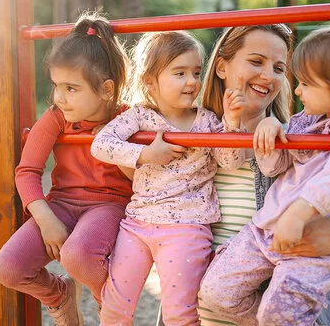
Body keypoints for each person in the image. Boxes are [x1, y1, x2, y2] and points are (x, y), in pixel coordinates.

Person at [199, 24, 330, 326]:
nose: (271, 77)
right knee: (218, 291)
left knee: (278, 313)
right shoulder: (192, 132)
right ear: (221, 66)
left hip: (297, 255)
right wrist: (269, 131)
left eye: (280, 68)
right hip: (215, 302)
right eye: (256, 61)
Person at [90, 30, 247, 325]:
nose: (191, 81)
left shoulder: (209, 121)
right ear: (150, 80)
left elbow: (229, 161)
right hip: (137, 225)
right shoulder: (139, 116)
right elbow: (100, 145)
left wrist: (233, 123)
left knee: (180, 313)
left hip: (186, 228)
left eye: (196, 72)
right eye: (180, 73)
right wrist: (147, 153)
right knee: (115, 305)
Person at [0, 12, 134, 326]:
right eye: (56, 85)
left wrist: (115, 149)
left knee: (79, 257)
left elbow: (141, 180)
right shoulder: (57, 117)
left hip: (108, 205)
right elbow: (27, 170)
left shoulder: (128, 119)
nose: (59, 97)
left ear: (107, 89)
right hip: (61, 205)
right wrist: (45, 220)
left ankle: (110, 312)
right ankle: (60, 296)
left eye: (71, 88)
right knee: (8, 267)